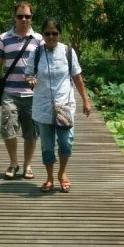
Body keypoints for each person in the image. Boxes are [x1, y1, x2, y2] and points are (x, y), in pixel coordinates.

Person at [24, 18, 92, 193]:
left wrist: (85, 100)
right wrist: (31, 80)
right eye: (47, 33)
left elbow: (77, 77)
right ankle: (49, 177)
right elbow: (29, 74)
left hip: (64, 105)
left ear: (59, 34)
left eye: (55, 33)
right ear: (43, 34)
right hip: (43, 105)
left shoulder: (68, 52)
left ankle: (62, 173)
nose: (51, 36)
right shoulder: (36, 53)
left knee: (65, 142)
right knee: (47, 145)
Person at [0, 1, 43, 180]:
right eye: (20, 16)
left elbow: (45, 65)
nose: (24, 19)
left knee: (31, 132)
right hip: (10, 92)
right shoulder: (4, 38)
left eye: (27, 16)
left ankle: (28, 165)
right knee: (8, 128)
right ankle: (13, 163)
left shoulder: (39, 39)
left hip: (32, 94)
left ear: (31, 17)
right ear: (15, 17)